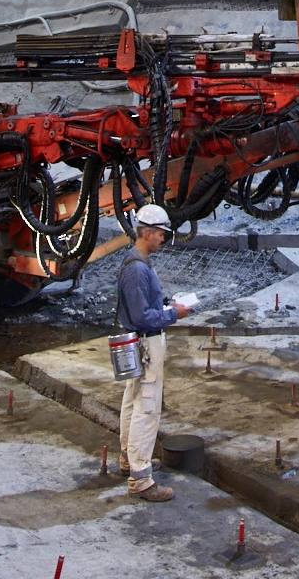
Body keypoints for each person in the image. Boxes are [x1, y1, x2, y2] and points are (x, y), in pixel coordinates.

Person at [116, 204, 192, 502]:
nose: (163, 239)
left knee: (133, 402)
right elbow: (144, 317)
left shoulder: (137, 262)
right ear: (147, 233)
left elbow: (145, 306)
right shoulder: (137, 269)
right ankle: (141, 480)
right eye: (160, 234)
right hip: (146, 343)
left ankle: (128, 460)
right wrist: (174, 313)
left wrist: (166, 303)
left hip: (138, 343)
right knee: (146, 409)